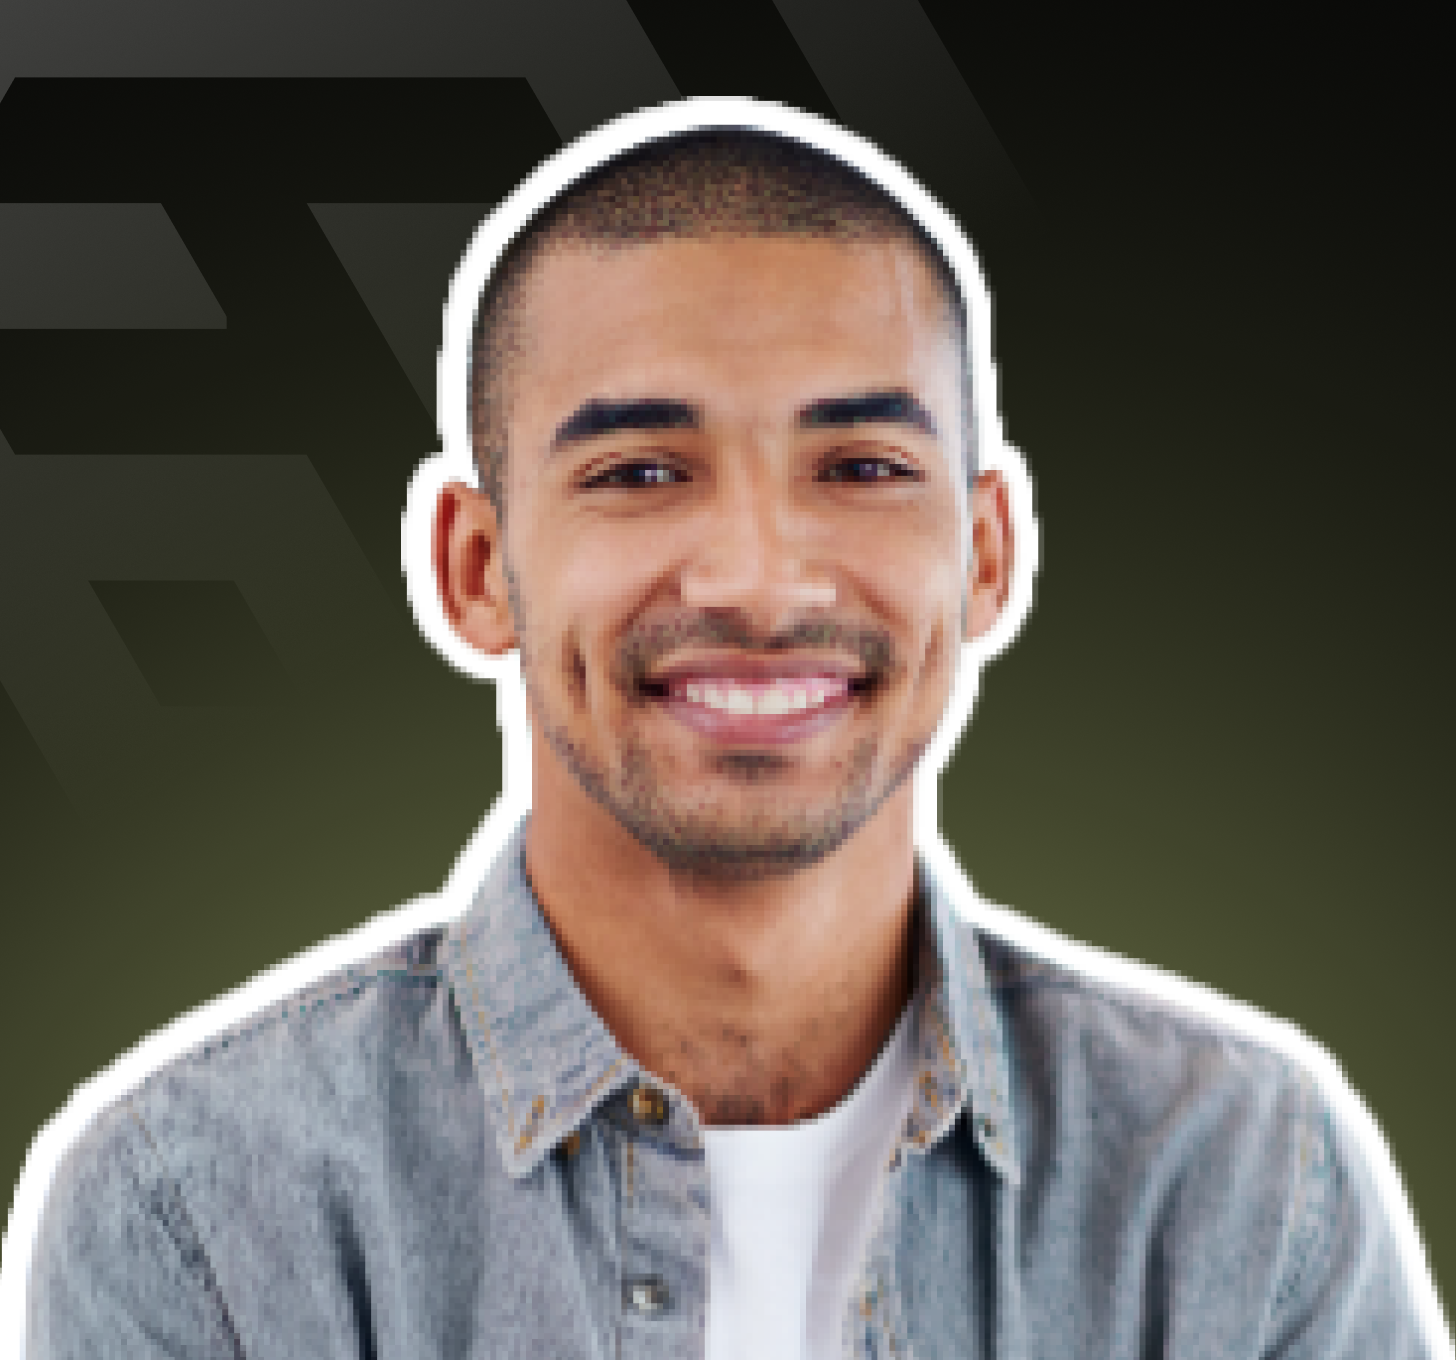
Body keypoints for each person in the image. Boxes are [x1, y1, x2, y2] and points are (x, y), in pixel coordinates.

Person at [17, 99, 1448, 1360]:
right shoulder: (197, 1209)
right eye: (641, 472)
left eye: (862, 467)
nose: (760, 582)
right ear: (475, 568)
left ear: (988, 553)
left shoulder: (1243, 1182)